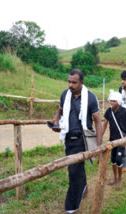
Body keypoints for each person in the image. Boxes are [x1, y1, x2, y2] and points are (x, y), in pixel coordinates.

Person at [51, 68, 102, 214]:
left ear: (82, 82)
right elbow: (60, 110)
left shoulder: (90, 98)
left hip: (82, 140)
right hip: (68, 138)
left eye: (74, 82)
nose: (70, 85)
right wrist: (56, 121)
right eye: (69, 81)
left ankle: (71, 208)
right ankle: (84, 187)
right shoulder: (65, 95)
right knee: (74, 169)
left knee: (74, 172)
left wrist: (98, 147)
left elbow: (97, 122)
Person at [102, 91, 126, 189]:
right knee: (113, 160)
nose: (112, 103)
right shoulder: (108, 111)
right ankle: (115, 178)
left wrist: (125, 140)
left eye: (114, 101)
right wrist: (100, 137)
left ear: (118, 101)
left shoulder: (124, 111)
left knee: (119, 160)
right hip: (112, 140)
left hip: (121, 140)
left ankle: (119, 178)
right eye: (111, 101)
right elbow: (105, 125)